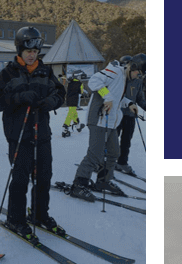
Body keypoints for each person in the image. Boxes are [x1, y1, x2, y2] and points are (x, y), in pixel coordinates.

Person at [0, 25, 65, 241]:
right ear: (20, 50)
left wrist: (52, 101)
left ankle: (39, 214)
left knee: (43, 178)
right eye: (28, 51)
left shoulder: (45, 71)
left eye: (35, 52)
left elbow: (60, 93)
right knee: (20, 179)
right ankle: (15, 218)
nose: (32, 55)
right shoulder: (8, 73)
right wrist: (19, 98)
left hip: (42, 135)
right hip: (19, 136)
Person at [67, 55, 143, 201]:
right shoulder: (115, 71)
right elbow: (93, 81)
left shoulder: (124, 80)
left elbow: (117, 98)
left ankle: (103, 181)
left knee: (114, 152)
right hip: (99, 119)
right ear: (133, 67)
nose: (139, 76)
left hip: (111, 121)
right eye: (138, 72)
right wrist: (107, 97)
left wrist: (129, 103)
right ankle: (79, 184)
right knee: (95, 154)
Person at [114, 54, 144, 178]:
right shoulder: (119, 78)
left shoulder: (138, 81)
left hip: (130, 116)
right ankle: (106, 162)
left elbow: (140, 98)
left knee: (126, 141)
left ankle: (122, 162)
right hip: (117, 114)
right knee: (112, 140)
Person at [60, 68, 84, 136]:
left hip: (68, 99)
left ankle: (78, 125)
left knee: (73, 112)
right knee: (71, 113)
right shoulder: (80, 83)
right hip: (74, 100)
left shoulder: (70, 82)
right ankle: (65, 127)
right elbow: (81, 92)